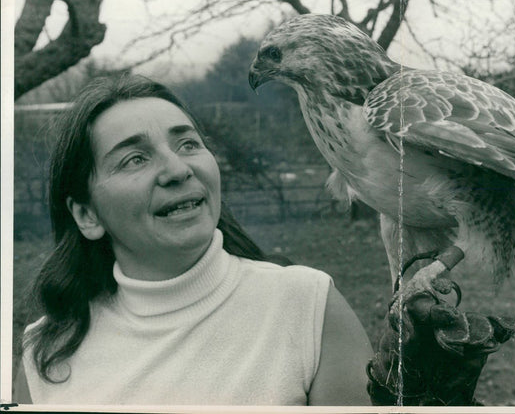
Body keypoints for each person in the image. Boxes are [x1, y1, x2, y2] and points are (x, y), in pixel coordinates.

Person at [14, 74, 373, 405]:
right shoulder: (44, 356)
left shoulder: (308, 306)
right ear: (86, 215)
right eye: (135, 159)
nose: (177, 170)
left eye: (187, 144)